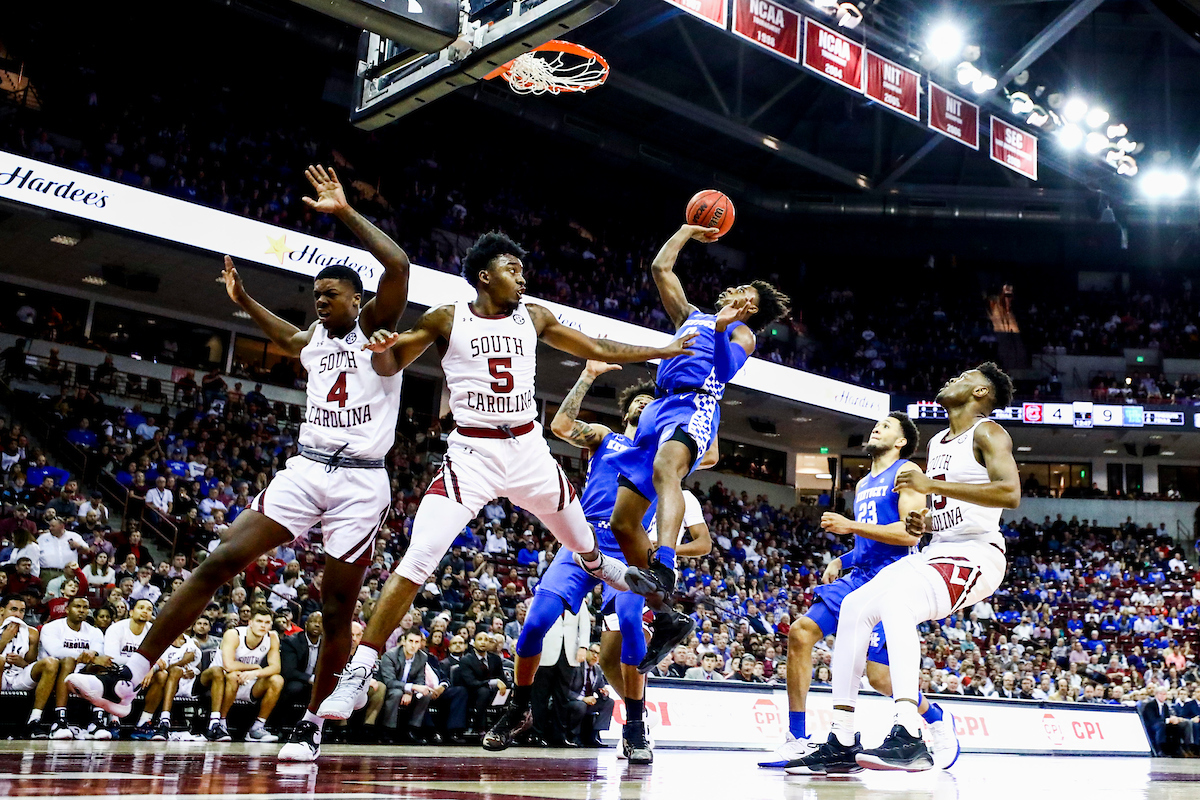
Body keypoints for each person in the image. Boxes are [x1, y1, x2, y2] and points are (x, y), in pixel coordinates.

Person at [68, 164, 413, 763]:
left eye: (330, 296)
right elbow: (285, 337)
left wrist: (344, 213)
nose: (321, 304)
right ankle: (130, 676)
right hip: (305, 470)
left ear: (356, 301)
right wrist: (246, 299)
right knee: (219, 559)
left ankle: (312, 725)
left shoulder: (376, 328)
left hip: (360, 482)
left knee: (336, 612)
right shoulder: (315, 342)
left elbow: (400, 267)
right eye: (316, 298)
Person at [320, 231, 698, 728]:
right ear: (484, 276)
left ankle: (614, 577)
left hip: (527, 452)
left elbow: (594, 345)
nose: (523, 278)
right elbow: (392, 363)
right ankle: (359, 667)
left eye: (523, 271)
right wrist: (382, 349)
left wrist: (662, 350)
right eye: (512, 270)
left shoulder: (534, 315)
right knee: (419, 557)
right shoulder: (446, 317)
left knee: (583, 543)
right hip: (472, 453)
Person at [482, 362, 712, 763]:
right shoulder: (607, 438)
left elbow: (708, 451)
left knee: (629, 626)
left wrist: (702, 397)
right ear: (626, 413)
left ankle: (636, 726)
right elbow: (561, 426)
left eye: (650, 401)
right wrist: (588, 375)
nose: (643, 403)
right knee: (535, 623)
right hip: (583, 538)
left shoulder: (665, 452)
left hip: (628, 546)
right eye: (636, 401)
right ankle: (519, 709)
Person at [793, 363, 1017, 774]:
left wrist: (932, 488)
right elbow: (949, 513)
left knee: (897, 600)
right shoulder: (936, 442)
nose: (951, 379)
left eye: (963, 377)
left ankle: (910, 732)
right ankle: (841, 736)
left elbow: (1009, 493)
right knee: (856, 606)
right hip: (939, 549)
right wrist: (924, 521)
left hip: (977, 555)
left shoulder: (988, 432)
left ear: (981, 392)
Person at [605, 224, 790, 667]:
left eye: (751, 301)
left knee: (667, 470)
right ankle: (667, 616)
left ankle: (664, 563)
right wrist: (688, 229)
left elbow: (723, 372)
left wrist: (727, 328)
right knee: (622, 524)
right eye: (742, 290)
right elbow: (660, 267)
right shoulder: (691, 314)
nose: (743, 297)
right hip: (657, 407)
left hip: (695, 405)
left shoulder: (743, 334)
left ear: (753, 314)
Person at [762, 413, 957, 772]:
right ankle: (797, 738)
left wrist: (849, 525)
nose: (877, 428)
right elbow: (870, 540)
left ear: (900, 442)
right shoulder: (865, 482)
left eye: (886, 426)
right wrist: (844, 556)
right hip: (859, 575)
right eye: (877, 424)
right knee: (801, 632)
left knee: (879, 677)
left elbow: (910, 535)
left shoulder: (905, 475)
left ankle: (935, 717)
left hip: (892, 580)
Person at [35, 596, 107, 739]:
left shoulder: (95, 631)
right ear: (67, 609)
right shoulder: (51, 627)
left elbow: (99, 654)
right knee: (68, 661)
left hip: (82, 673)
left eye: (85, 607)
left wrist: (94, 656)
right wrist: (83, 655)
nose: (81, 610)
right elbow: (56, 651)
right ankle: (59, 720)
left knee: (101, 665)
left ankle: (96, 722)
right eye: (77, 606)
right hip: (53, 672)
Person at [1, 595, 60, 738]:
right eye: (13, 609)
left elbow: (30, 662)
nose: (18, 614)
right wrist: (4, 640)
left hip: (17, 676)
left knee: (51, 662)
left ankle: (34, 720)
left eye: (22, 611)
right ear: (2, 610)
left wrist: (22, 663)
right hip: (1, 673)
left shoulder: (31, 632)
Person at [378, 629, 440, 742]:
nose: (413, 645)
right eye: (410, 641)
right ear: (404, 641)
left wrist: (410, 691)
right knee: (396, 693)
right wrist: (412, 688)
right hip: (390, 689)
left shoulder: (422, 657)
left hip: (408, 690)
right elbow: (390, 682)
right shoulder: (390, 655)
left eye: (417, 642)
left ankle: (412, 730)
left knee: (426, 694)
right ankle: (388, 730)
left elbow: (420, 680)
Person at [281, 611, 323, 710]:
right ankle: (282, 722)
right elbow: (289, 671)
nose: (317, 625)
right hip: (296, 679)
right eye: (313, 622)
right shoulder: (292, 642)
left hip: (317, 681)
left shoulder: (326, 644)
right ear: (306, 624)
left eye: (320, 623)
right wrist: (310, 678)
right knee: (295, 688)